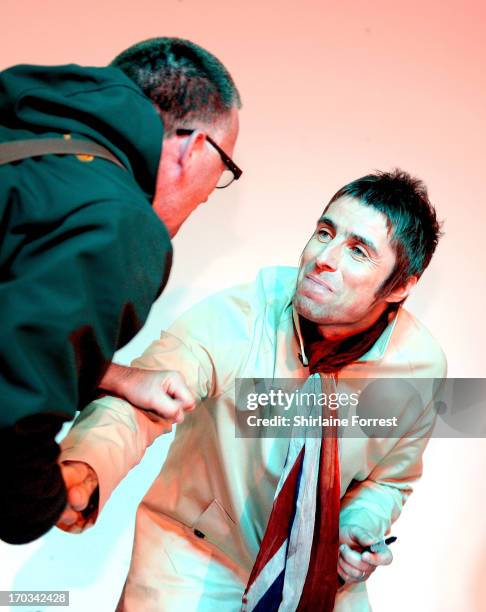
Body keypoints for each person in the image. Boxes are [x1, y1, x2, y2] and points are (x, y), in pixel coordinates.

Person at [57, 170, 445, 611]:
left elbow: (389, 479)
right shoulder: (239, 318)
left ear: (401, 286)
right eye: (324, 232)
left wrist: (356, 525)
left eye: (357, 251)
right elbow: (140, 401)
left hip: (315, 569)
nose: (324, 257)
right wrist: (86, 468)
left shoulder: (420, 368)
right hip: (195, 551)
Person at [0, 37, 242, 545]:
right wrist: (45, 499)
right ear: (195, 147)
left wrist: (116, 377)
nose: (206, 194)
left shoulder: (30, 143)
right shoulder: (117, 223)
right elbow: (10, 427)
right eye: (223, 171)